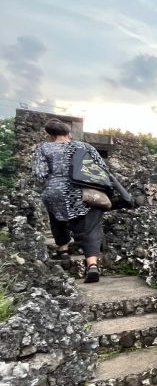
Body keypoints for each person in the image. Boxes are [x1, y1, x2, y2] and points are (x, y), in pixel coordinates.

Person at [32, 119, 107, 283]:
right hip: (81, 191)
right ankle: (92, 265)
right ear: (69, 133)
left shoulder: (43, 148)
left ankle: (64, 252)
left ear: (51, 136)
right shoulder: (85, 147)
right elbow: (102, 169)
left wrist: (54, 181)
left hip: (54, 191)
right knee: (90, 226)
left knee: (57, 219)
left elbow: (39, 174)